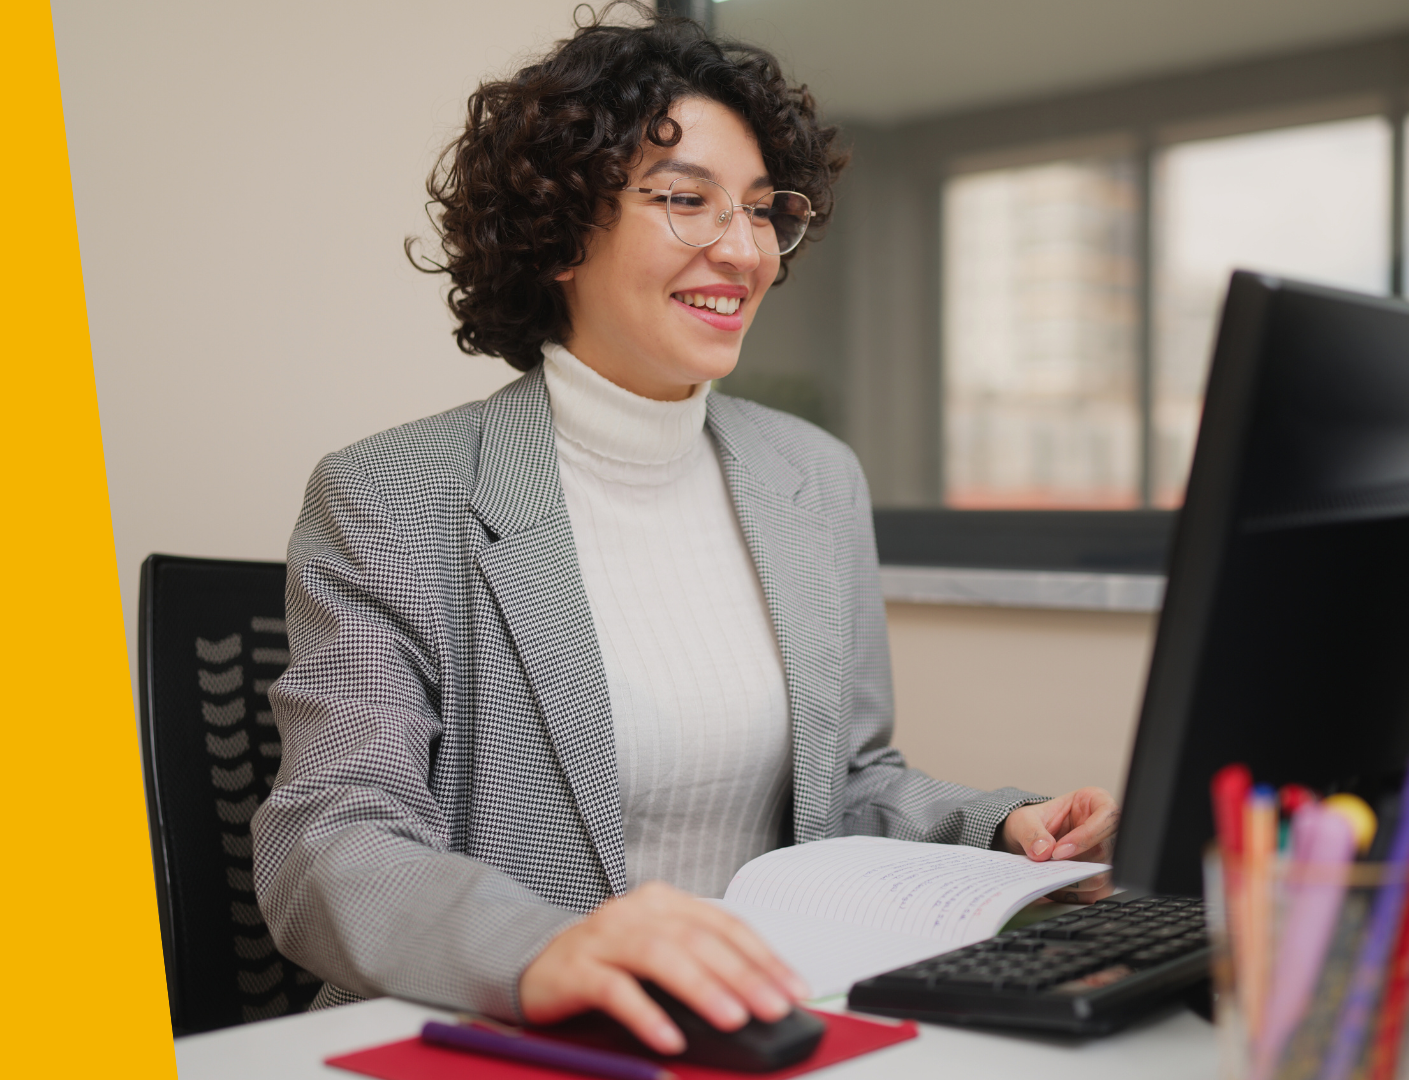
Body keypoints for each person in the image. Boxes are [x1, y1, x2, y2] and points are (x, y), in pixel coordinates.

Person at [250, 8, 1118, 1055]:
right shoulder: (390, 495)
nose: (744, 249)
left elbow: (847, 785)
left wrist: (1002, 829)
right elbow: (328, 843)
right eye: (686, 202)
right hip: (509, 1038)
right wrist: (541, 950)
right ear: (562, 229)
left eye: (762, 209)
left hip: (766, 1028)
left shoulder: (813, 478)